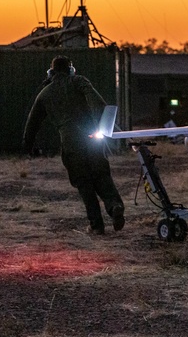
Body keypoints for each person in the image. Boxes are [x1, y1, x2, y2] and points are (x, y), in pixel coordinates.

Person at [23, 56, 125, 235]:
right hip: (91, 136)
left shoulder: (44, 94)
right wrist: (102, 124)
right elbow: (98, 102)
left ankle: (96, 226)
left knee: (84, 183)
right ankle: (114, 206)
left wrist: (28, 147)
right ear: (71, 70)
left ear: (51, 72)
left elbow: (32, 124)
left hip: (70, 143)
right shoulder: (79, 81)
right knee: (101, 174)